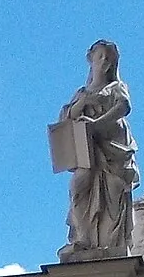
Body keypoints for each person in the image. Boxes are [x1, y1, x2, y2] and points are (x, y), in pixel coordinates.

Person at [57, 40, 139, 258]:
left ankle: (109, 244)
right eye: (100, 56)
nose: (104, 61)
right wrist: (81, 105)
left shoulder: (115, 87)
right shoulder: (81, 92)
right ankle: (83, 238)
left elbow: (123, 107)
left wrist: (96, 124)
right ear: (90, 59)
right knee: (78, 187)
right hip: (87, 150)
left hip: (113, 149)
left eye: (109, 58)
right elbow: (66, 118)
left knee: (113, 192)